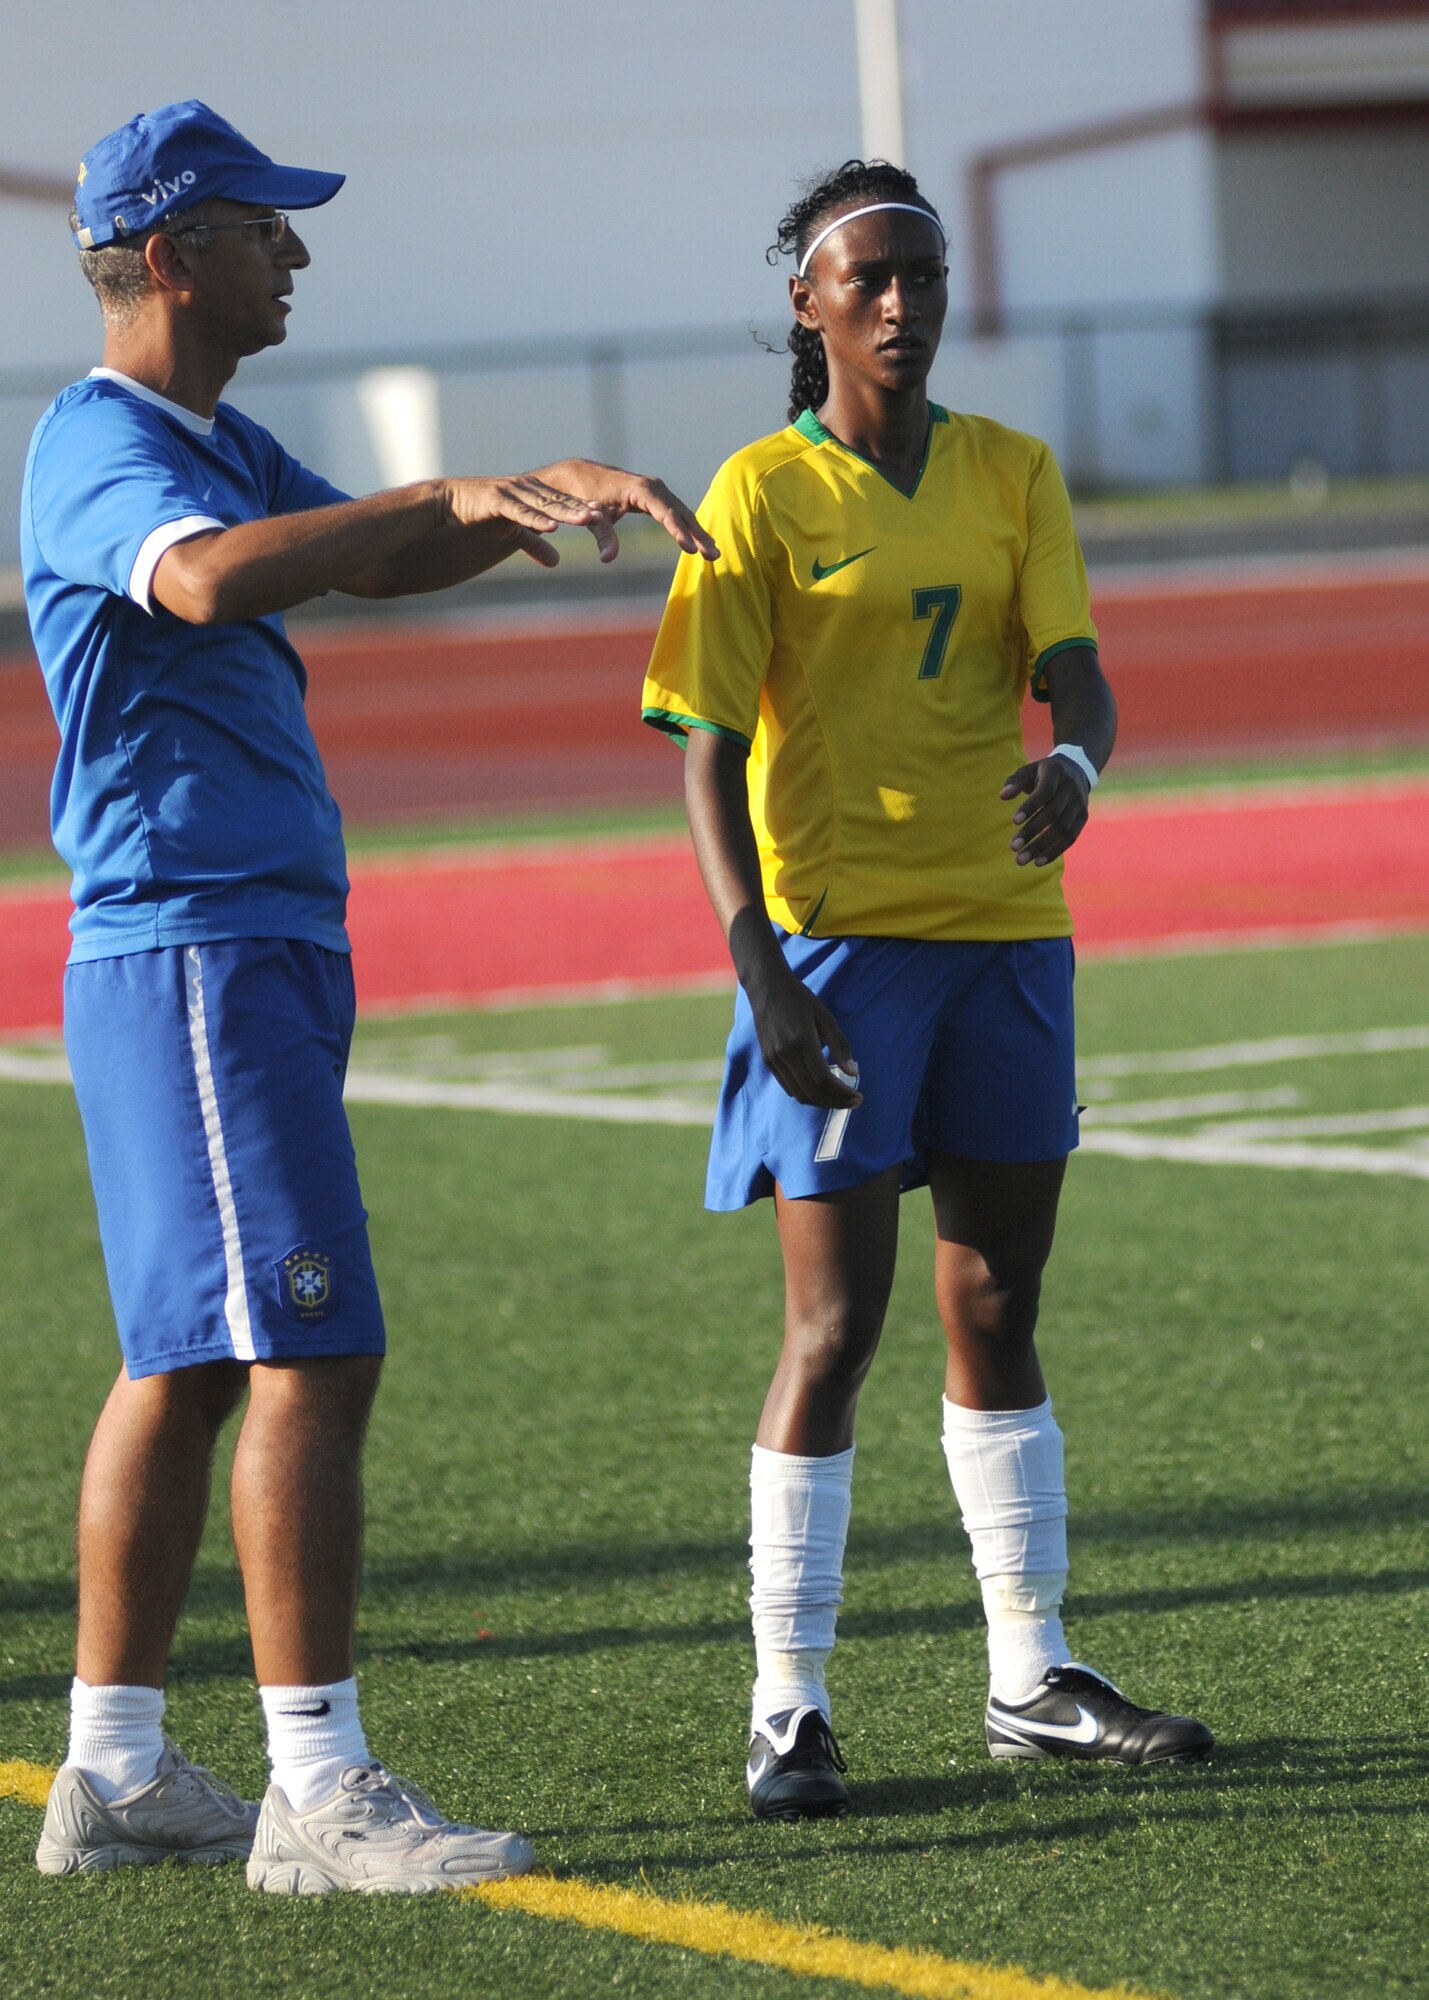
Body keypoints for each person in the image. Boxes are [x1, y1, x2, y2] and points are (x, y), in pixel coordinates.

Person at [23, 99, 717, 1891]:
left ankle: (111, 1772)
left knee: (180, 1369)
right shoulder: (109, 445)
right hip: (196, 947)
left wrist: (513, 501)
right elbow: (201, 582)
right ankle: (314, 1796)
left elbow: (374, 552)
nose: (297, 255)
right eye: (266, 226)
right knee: (312, 1349)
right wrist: (424, 499)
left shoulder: (207, 435)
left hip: (220, 950)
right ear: (173, 252)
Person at [640, 158, 1212, 1821]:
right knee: (832, 1328)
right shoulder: (755, 494)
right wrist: (760, 966)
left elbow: (1079, 678)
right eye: (869, 278)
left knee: (995, 1305)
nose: (902, 304)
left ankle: (1029, 1674)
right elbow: (705, 749)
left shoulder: (1011, 472)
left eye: (924, 276)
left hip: (1007, 939)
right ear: (807, 304)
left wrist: (1081, 769)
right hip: (831, 949)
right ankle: (788, 1704)